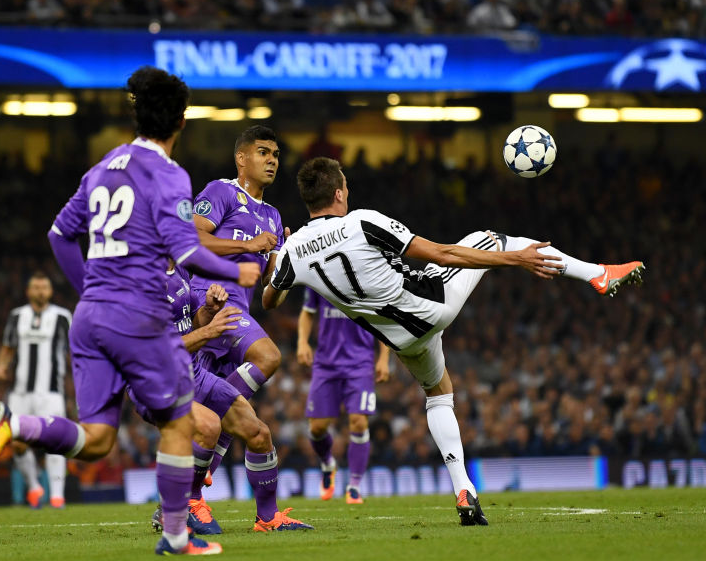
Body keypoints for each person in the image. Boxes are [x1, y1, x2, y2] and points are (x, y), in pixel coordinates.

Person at [0, 66, 259, 556]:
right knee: (181, 424)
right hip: (137, 316)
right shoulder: (169, 175)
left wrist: (91, 290)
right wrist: (238, 269)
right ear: (181, 121)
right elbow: (187, 251)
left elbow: (60, 235)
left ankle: (14, 426)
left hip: (90, 318)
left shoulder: (103, 167)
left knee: (98, 439)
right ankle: (175, 537)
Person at [263, 157, 645, 525]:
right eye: (345, 187)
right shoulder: (362, 222)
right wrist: (517, 259)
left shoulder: (294, 251)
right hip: (431, 304)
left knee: (438, 394)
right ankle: (597, 274)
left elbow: (270, 299)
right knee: (492, 239)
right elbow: (442, 254)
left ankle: (464, 489)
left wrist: (279, 258)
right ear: (339, 193)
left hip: (402, 340)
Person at [146, 265, 313, 534]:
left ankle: (268, 518)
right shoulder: (141, 280)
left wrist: (208, 310)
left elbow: (192, 323)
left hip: (194, 373)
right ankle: (183, 504)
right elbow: (154, 350)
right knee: (210, 426)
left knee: (258, 434)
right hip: (159, 381)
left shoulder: (179, 271)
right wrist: (209, 331)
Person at [188, 126, 288, 487]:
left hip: (240, 310)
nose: (272, 160)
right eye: (263, 152)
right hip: (208, 298)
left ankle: (191, 492)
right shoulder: (222, 191)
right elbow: (192, 237)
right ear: (241, 158)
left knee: (243, 420)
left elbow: (270, 298)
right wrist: (248, 246)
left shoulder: (273, 217)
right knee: (268, 357)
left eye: (275, 154)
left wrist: (285, 266)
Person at [297, 288, 390, 504]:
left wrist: (384, 358)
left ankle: (354, 486)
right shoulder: (317, 277)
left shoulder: (368, 278)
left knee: (358, 421)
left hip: (360, 363)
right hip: (326, 364)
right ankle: (328, 464)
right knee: (317, 428)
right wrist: (302, 342)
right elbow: (307, 311)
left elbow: (382, 320)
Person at [0, 272, 72, 509]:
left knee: (55, 443)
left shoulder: (62, 316)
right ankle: (34, 486)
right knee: (17, 443)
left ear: (50, 291)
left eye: (44, 287)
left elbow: (74, 350)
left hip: (51, 392)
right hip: (20, 392)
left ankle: (57, 497)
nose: (40, 291)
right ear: (28, 291)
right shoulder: (17, 316)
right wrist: (1, 366)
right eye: (36, 287)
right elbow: (8, 346)